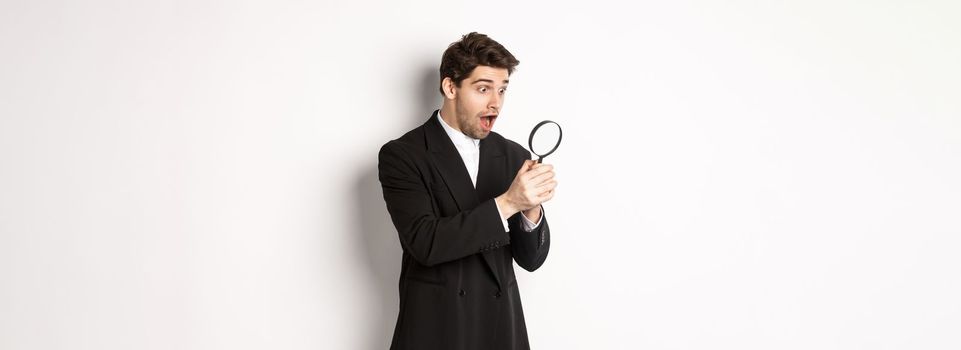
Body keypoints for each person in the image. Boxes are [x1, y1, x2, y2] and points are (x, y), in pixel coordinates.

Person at [378, 32, 557, 350]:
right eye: (483, 88)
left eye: (502, 90)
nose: (496, 103)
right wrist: (508, 203)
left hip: (500, 331)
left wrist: (530, 210)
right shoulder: (403, 155)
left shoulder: (514, 155)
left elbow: (531, 260)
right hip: (436, 330)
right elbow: (426, 243)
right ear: (450, 87)